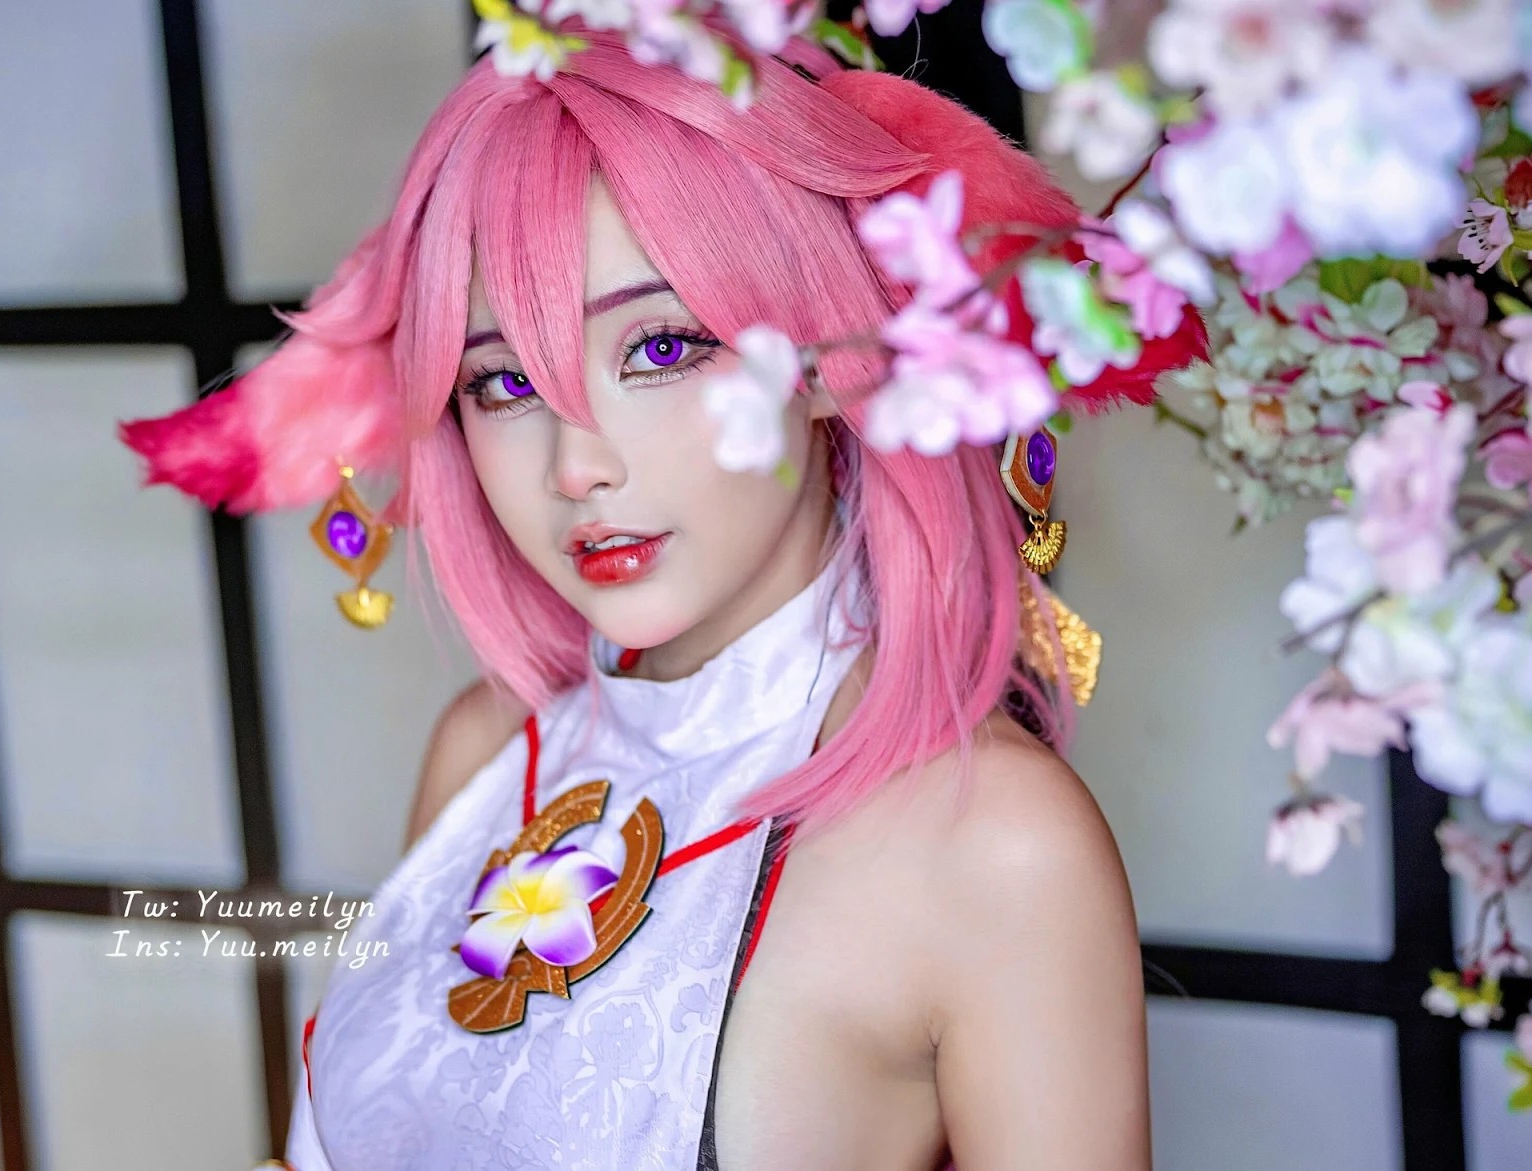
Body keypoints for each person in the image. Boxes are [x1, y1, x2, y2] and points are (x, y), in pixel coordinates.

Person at [123, 17, 1197, 1170]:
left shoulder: (992, 841)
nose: (575, 465)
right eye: (502, 381)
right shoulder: (486, 752)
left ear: (825, 358)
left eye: (659, 349)